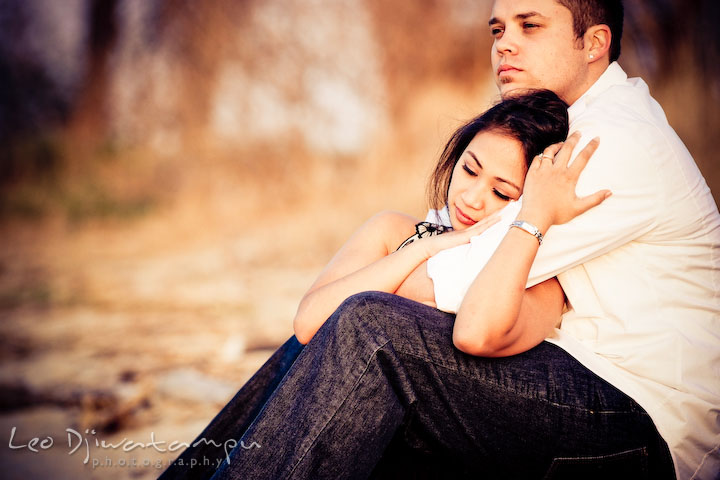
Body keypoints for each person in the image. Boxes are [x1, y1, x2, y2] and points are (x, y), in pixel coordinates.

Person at [162, 0, 720, 478]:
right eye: (498, 29)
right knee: (326, 350)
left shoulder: (607, 146)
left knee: (368, 331)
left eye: (531, 26)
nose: (505, 45)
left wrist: (401, 246)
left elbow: (450, 282)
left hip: (643, 423)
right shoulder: (566, 129)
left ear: (594, 42)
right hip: (565, 376)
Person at [160, 89, 604, 479]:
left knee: (357, 321)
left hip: (442, 443)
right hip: (359, 422)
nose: (471, 197)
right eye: (469, 170)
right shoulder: (394, 230)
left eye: (502, 193)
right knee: (306, 349)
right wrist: (422, 249)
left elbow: (485, 349)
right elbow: (309, 322)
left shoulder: (536, 274)